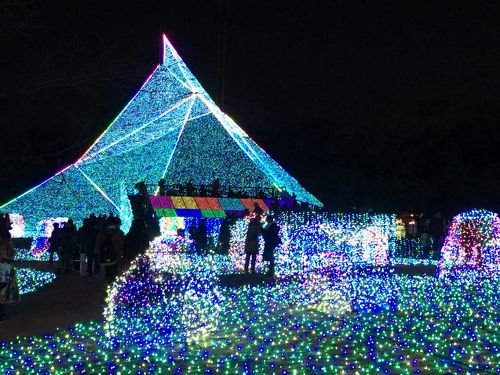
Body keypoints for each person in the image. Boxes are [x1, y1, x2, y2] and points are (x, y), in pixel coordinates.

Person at [94, 219, 124, 284]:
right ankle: (112, 286)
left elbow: (97, 245)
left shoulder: (102, 232)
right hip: (115, 257)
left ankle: (107, 284)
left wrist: (98, 253)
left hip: (104, 257)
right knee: (114, 274)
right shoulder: (119, 233)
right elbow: (122, 245)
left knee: (107, 273)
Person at [0, 229, 19, 321]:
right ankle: (2, 313)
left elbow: (9, 257)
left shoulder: (8, 246)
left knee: (3, 292)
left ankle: (2, 313)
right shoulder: (10, 246)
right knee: (3, 292)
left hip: (4, 271)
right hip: (6, 271)